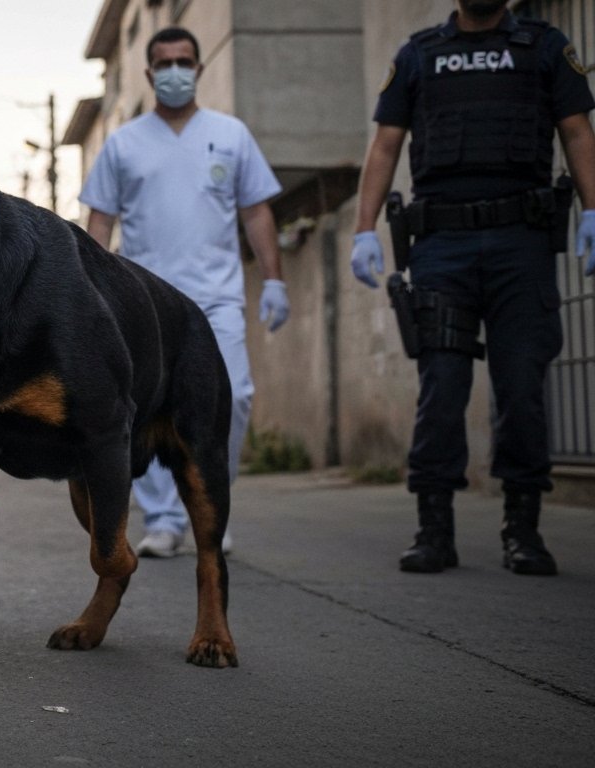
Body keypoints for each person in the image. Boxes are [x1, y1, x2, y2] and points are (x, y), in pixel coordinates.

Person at [350, 0, 595, 576]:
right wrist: (363, 230)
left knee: (522, 386)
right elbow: (385, 145)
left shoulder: (544, 46)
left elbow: (577, 130)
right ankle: (434, 530)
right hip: (442, 245)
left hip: (522, 243)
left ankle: (523, 530)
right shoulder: (418, 54)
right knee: (442, 385)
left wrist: (593, 210)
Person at [80, 26, 289, 559]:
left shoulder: (232, 134)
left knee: (234, 396)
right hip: (143, 305)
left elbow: (257, 211)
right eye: (165, 62)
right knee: (141, 410)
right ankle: (165, 519)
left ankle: (209, 504)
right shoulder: (123, 143)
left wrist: (275, 281)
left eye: (184, 61)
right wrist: (90, 294)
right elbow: (98, 223)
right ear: (150, 74)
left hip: (216, 298)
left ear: (197, 68)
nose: (175, 70)